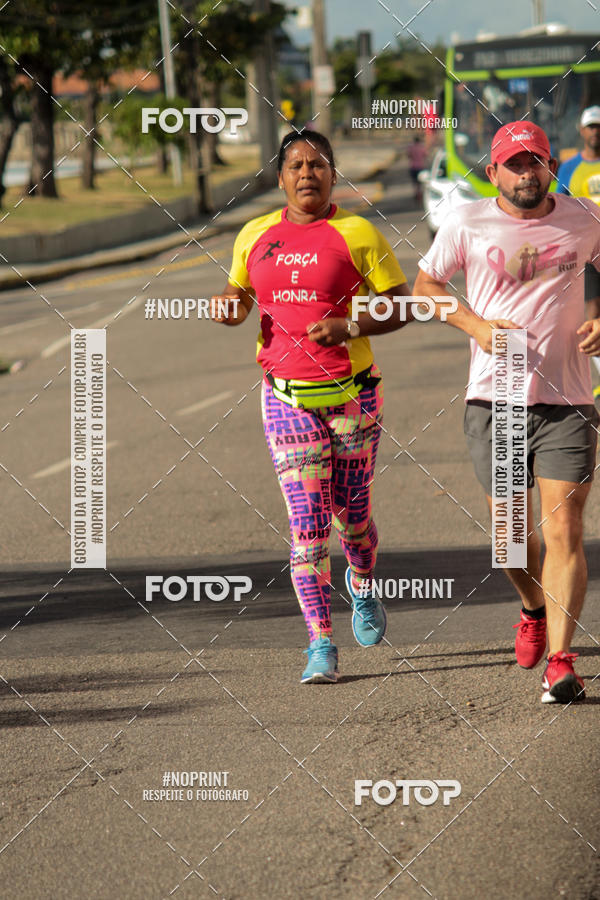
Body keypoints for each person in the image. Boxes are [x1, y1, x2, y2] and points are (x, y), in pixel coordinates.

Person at [210, 129, 412, 683]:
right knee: (307, 522)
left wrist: (349, 326)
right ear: (280, 178)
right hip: (286, 398)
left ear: (333, 175)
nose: (307, 173)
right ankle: (320, 642)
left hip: (353, 395)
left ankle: (364, 581)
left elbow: (403, 307)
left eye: (318, 164)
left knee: (353, 516)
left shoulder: (357, 233)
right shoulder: (254, 234)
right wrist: (229, 306)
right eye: (296, 165)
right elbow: (239, 295)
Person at [414, 121, 600, 704]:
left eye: (536, 162)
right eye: (514, 164)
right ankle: (532, 607)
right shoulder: (466, 222)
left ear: (552, 167)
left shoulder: (584, 215)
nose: (527, 173)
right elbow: (425, 287)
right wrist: (474, 325)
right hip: (497, 398)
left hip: (568, 399)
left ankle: (562, 662)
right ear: (492, 172)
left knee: (565, 529)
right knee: (511, 539)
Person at [556, 105, 600, 403]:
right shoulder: (569, 168)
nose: (596, 131)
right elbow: (559, 208)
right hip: (588, 253)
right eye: (592, 126)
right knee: (592, 316)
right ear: (582, 131)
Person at [407, 135, 427, 202]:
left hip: (413, 166)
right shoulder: (422, 148)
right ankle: (419, 193)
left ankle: (416, 193)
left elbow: (408, 155)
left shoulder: (411, 148)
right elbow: (425, 155)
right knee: (420, 182)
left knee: (414, 182)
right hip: (420, 167)